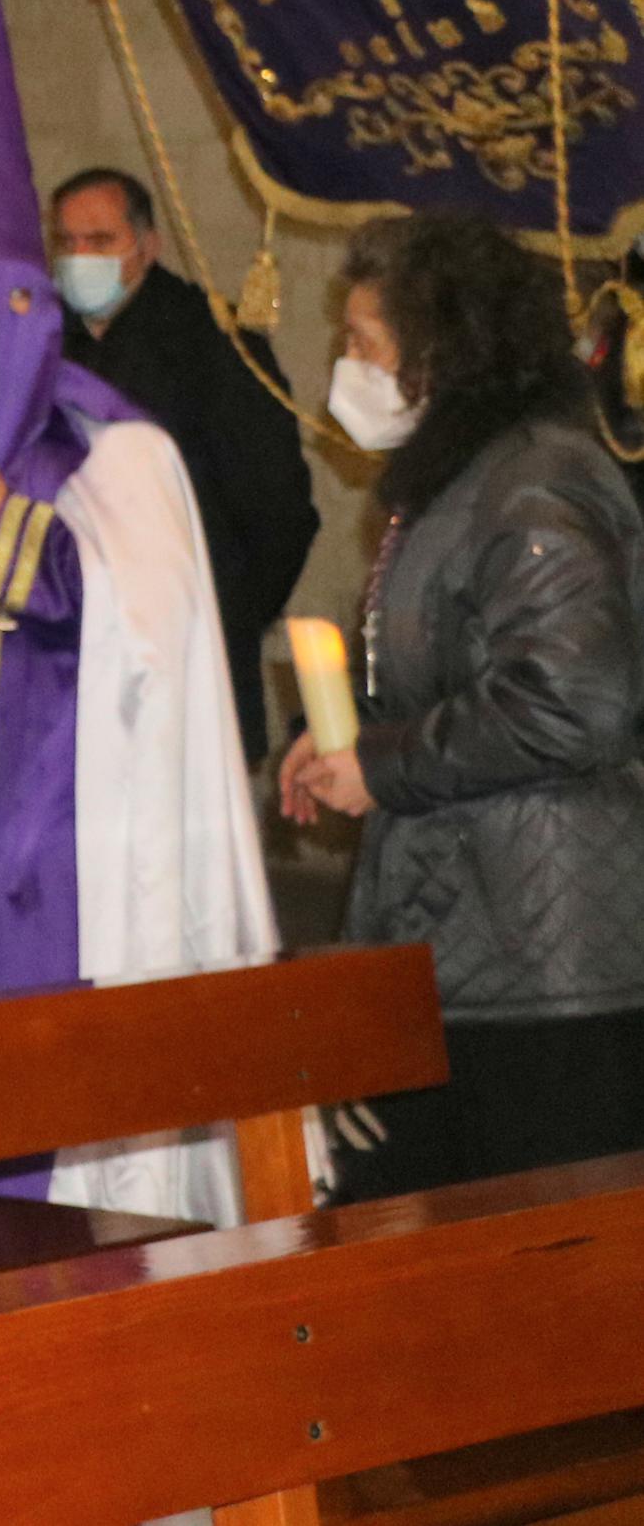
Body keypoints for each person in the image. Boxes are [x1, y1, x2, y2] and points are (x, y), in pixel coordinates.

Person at [0, 0, 273, 1222]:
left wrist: (19, 536)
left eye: (8, 303)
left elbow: (149, 614)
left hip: (67, 800)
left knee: (45, 1056)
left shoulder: (108, 438)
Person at [287, 212, 644, 1200]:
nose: (343, 366)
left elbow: (572, 703)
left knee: (555, 1275)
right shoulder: (462, 481)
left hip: (547, 957)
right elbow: (445, 674)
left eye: (360, 343)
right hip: (467, 929)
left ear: (435, 352)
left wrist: (382, 764)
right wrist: (333, 739)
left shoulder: (535, 478)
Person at [47, 165, 321, 761]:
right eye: (66, 243)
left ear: (148, 245)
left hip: (188, 647)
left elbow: (277, 508)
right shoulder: (40, 343)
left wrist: (224, 614)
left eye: (100, 241)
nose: (79, 258)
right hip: (67, 652)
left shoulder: (214, 340)